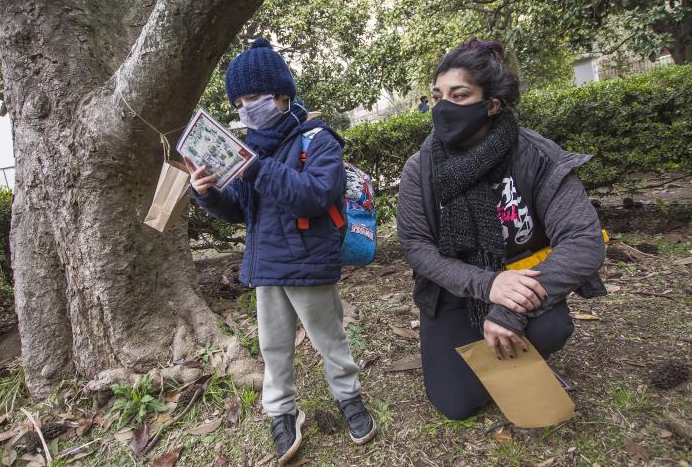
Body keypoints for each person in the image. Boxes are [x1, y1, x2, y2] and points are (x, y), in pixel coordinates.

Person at [186, 37, 376, 464]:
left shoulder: (317, 139)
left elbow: (316, 194)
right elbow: (238, 210)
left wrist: (254, 166)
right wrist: (208, 192)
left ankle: (349, 398)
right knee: (273, 348)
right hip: (266, 266)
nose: (245, 108)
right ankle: (281, 411)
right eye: (238, 101)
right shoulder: (247, 150)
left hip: (310, 264)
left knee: (330, 339)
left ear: (281, 95)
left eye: (252, 97)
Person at [396, 38, 606, 420]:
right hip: (454, 290)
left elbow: (584, 241)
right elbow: (416, 245)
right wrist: (486, 284)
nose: (443, 107)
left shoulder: (534, 155)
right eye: (437, 96)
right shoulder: (421, 167)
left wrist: (509, 311)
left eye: (459, 96)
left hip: (522, 284)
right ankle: (492, 353)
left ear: (491, 105)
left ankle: (523, 346)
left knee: (549, 329)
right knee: (456, 404)